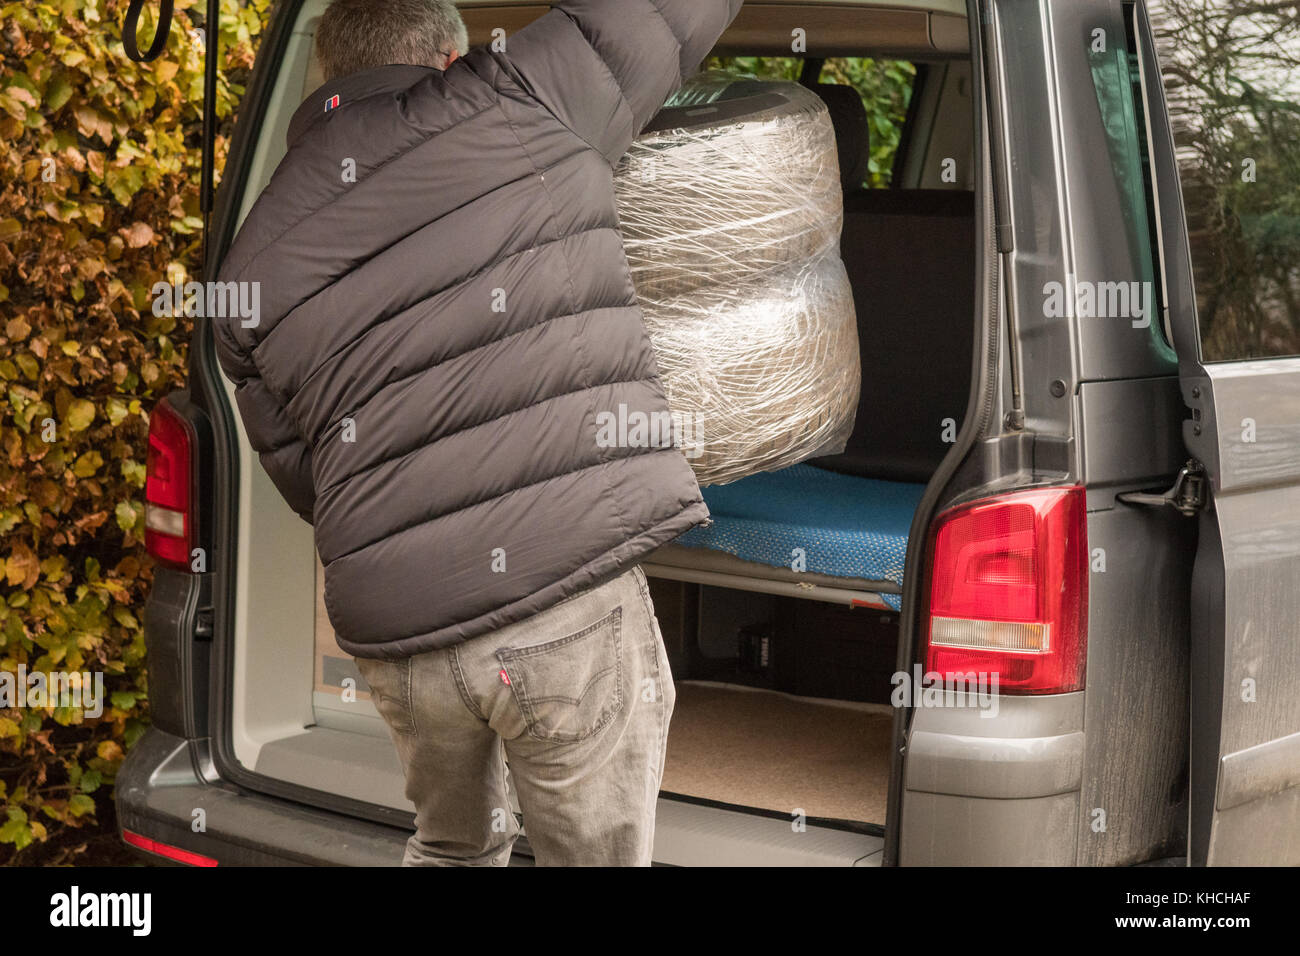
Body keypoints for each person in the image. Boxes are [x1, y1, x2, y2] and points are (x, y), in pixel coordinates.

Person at [211, 0, 744, 865]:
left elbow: (306, 475)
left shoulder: (250, 260)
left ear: (323, 77)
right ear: (451, 55)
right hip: (559, 596)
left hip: (401, 638)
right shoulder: (522, 96)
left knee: (452, 848)